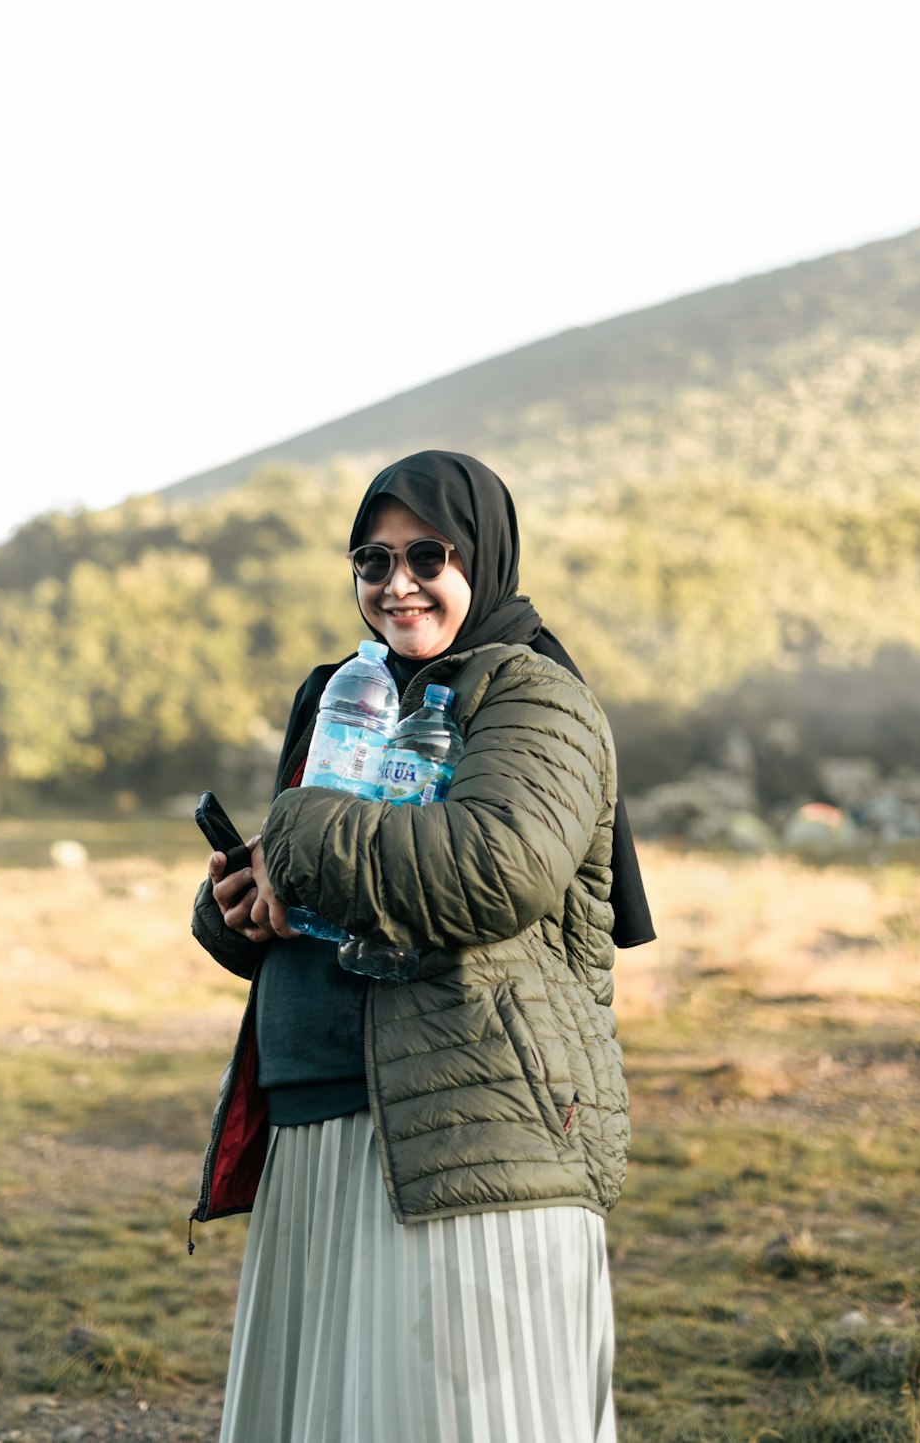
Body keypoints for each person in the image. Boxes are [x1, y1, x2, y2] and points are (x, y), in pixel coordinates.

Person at [190, 449, 655, 1443]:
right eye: (372, 559)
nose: (396, 582)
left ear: (480, 557)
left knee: (460, 1413)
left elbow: (496, 866)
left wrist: (301, 837)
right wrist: (240, 901)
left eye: (426, 554)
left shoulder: (532, 697)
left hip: (466, 1120)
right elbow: (325, 886)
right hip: (319, 1115)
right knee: (331, 1411)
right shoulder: (343, 692)